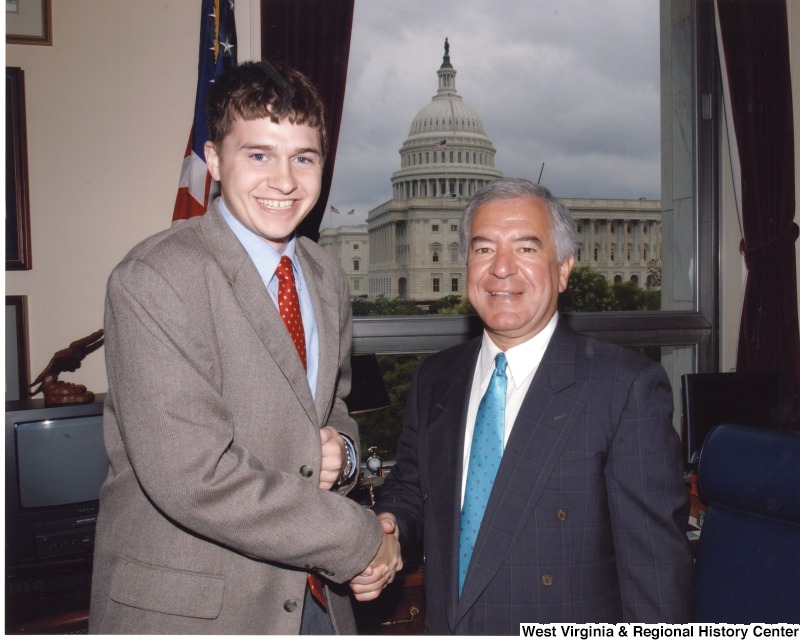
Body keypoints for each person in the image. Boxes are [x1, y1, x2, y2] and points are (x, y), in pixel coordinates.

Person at [89, 60, 400, 635]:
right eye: (258, 155)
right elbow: (193, 477)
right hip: (196, 611)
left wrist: (348, 458)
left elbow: (334, 414)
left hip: (313, 606)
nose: (284, 181)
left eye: (303, 158)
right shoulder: (153, 279)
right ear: (213, 160)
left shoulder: (326, 276)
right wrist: (357, 538)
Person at [351, 178, 693, 632]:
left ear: (565, 268)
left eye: (527, 249)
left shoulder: (625, 388)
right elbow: (414, 488)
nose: (502, 269)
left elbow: (655, 577)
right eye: (484, 249)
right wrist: (389, 527)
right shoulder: (436, 377)